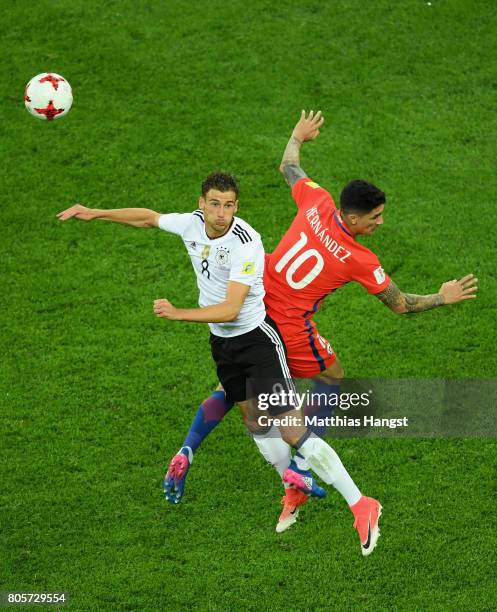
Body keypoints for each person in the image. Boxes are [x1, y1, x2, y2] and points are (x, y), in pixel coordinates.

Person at [164, 112, 478, 553]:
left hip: (252, 306)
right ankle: (304, 472)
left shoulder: (317, 201)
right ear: (353, 218)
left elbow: (289, 167)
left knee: (237, 389)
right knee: (330, 377)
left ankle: (192, 450)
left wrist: (297, 136)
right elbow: (402, 304)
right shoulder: (359, 258)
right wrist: (442, 297)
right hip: (289, 327)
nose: (380, 224)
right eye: (376, 217)